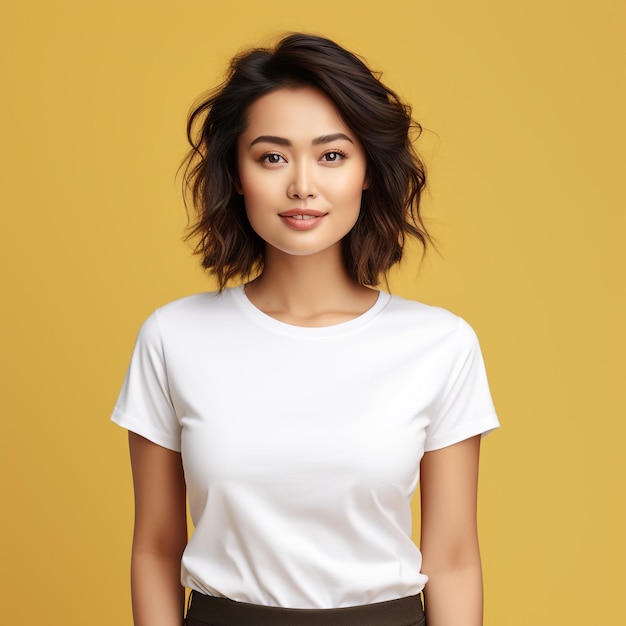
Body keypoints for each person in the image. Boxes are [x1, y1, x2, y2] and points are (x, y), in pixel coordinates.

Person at [111, 33, 499, 626]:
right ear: (236, 173)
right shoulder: (173, 337)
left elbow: (451, 560)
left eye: (332, 155)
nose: (302, 186)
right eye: (271, 156)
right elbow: (156, 548)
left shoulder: (440, 345)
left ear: (368, 171)